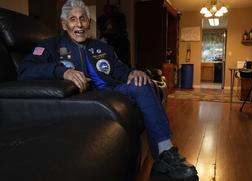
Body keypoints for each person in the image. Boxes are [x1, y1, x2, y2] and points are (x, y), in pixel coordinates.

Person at [17, 0, 198, 180]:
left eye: (83, 19)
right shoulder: (50, 46)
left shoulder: (102, 47)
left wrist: (133, 73)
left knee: (142, 83)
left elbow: (120, 70)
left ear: (89, 22)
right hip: (86, 97)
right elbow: (25, 70)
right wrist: (62, 71)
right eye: (73, 19)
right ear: (64, 24)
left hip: (113, 91)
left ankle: (165, 155)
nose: (79, 24)